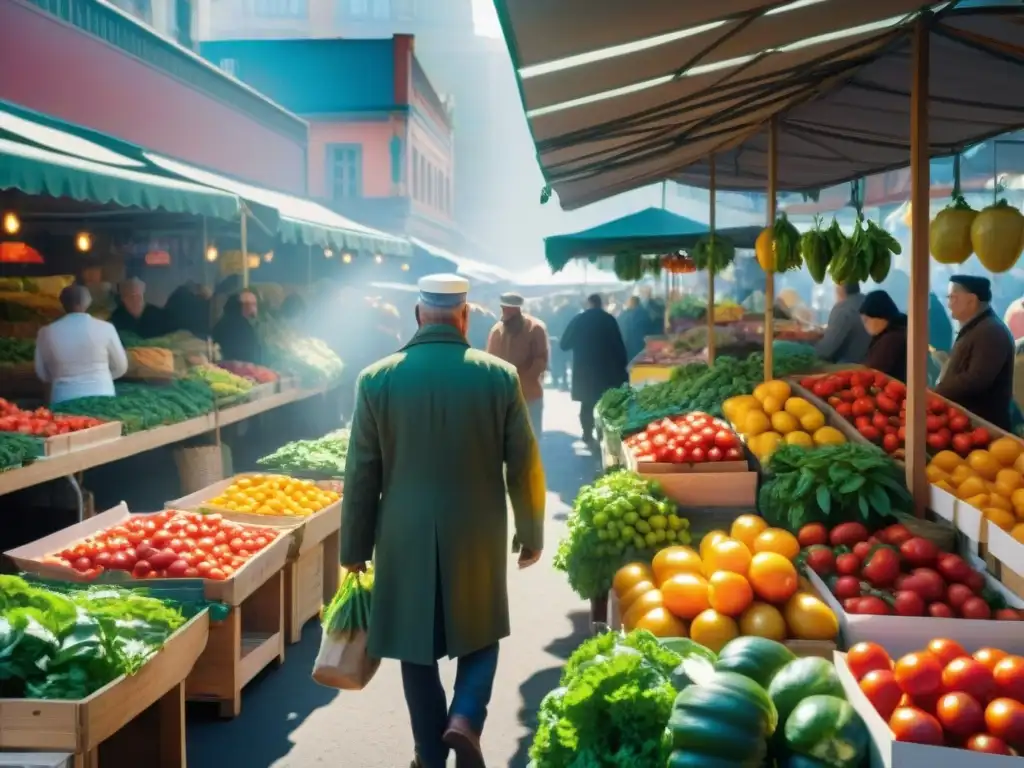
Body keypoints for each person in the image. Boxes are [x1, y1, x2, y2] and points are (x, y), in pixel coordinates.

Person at [340, 274, 545, 768]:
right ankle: (466, 719)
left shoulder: (376, 379)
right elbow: (524, 463)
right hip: (477, 531)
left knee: (416, 648)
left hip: (403, 532)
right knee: (480, 634)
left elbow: (362, 472)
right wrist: (531, 532)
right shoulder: (498, 376)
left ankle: (430, 755)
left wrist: (354, 549)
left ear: (417, 315)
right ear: (466, 316)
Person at [937, 275, 1015, 430]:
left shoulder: (991, 331)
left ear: (971, 300)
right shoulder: (979, 327)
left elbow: (976, 379)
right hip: (967, 423)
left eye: (953, 298)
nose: (949, 304)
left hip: (983, 428)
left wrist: (938, 391)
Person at [35, 285, 128, 405]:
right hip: (102, 394)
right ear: (88, 302)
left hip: (64, 397)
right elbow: (121, 367)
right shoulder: (106, 328)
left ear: (62, 303)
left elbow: (42, 373)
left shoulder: (46, 332)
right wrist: (100, 377)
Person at [560, 294, 629, 444]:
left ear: (588, 303)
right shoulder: (609, 320)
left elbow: (564, 345)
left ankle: (587, 433)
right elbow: (619, 346)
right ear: (601, 304)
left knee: (587, 403)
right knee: (606, 402)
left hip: (584, 370)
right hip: (607, 370)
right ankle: (603, 433)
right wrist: (623, 367)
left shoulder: (579, 320)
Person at [486, 292, 549, 434]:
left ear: (517, 309)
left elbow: (541, 361)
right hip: (503, 396)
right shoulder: (497, 330)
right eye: (503, 309)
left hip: (529, 395)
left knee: (531, 436)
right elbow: (489, 361)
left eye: (508, 309)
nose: (504, 313)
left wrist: (521, 380)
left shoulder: (535, 328)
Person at [815, 281, 871, 364]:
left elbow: (825, 351)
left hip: (849, 368)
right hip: (872, 366)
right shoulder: (868, 301)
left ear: (840, 287)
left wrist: (804, 346)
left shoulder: (842, 309)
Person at [859, 290, 908, 381]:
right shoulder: (897, 331)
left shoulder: (891, 340)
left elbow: (873, 372)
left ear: (880, 316)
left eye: (866, 320)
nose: (865, 325)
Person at [213, 289, 261, 363]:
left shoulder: (222, 322)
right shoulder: (242, 327)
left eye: (254, 304)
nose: (253, 308)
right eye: (248, 304)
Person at [618, 295, 648, 361]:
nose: (627, 304)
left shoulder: (627, 314)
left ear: (632, 303)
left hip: (630, 343)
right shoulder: (643, 313)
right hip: (638, 343)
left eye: (628, 302)